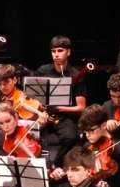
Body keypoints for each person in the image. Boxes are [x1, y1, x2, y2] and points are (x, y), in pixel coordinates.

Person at [34, 36, 89, 166]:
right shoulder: (43, 71)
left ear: (68, 52)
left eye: (60, 51)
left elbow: (81, 108)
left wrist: (57, 108)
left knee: (71, 137)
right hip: (42, 114)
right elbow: (31, 96)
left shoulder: (76, 75)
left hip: (63, 117)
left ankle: (56, 165)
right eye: (53, 51)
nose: (56, 55)